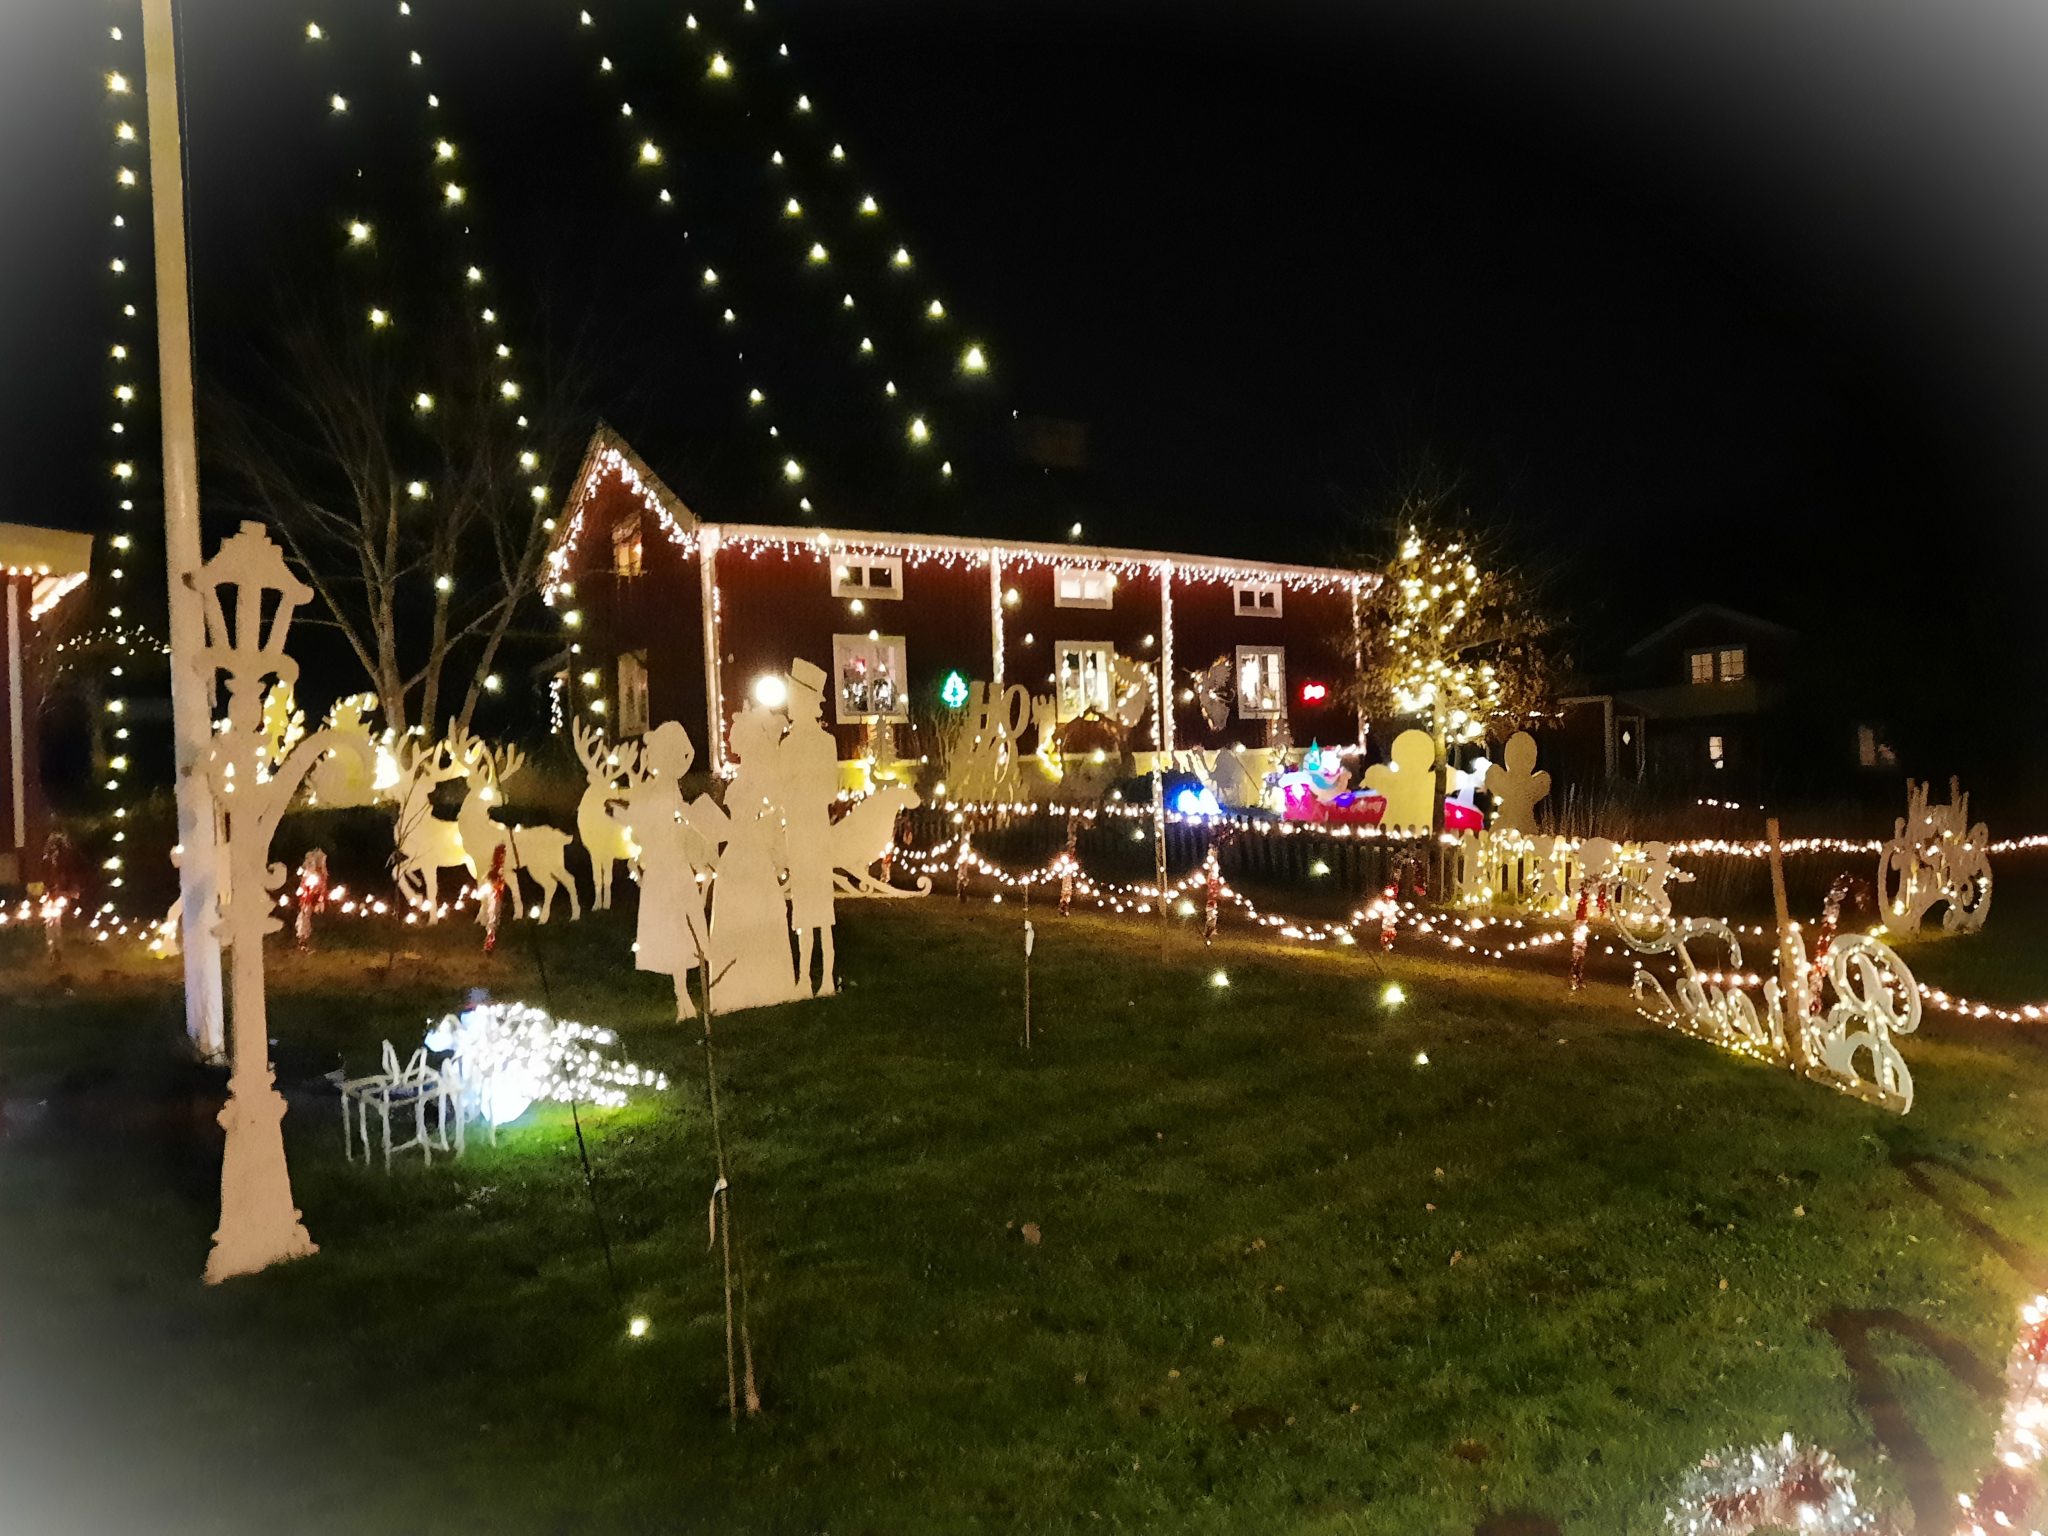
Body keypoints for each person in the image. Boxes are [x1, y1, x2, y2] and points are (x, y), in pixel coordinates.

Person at [624, 722, 723, 1020]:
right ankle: (683, 995)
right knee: (675, 927)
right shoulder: (658, 792)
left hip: (671, 867)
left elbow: (658, 828)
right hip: (664, 867)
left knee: (680, 927)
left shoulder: (666, 792)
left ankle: (686, 994)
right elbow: (645, 831)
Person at [708, 704, 799, 1013]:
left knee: (753, 909)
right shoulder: (743, 774)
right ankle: (734, 987)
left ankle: (761, 985)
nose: (730, 740)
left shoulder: (761, 776)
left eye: (735, 735)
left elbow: (771, 814)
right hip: (737, 848)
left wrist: (758, 833)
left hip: (751, 849)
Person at [779, 658, 840, 997]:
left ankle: (825, 978)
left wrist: (803, 787)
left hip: (812, 829)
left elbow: (829, 790)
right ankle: (805, 978)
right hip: (802, 830)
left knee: (819, 907)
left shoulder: (821, 743)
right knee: (805, 907)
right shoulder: (788, 744)